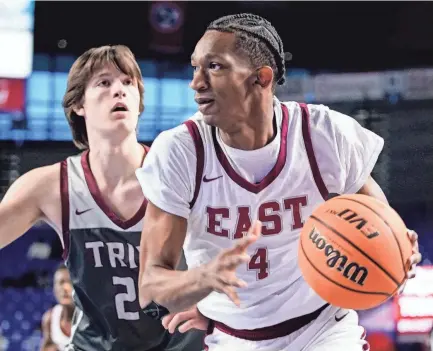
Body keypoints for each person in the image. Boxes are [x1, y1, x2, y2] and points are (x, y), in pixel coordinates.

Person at [136, 13, 422, 351]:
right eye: (195, 67)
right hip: (234, 337)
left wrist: (400, 251)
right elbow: (150, 287)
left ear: (261, 78)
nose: (196, 82)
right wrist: (204, 277)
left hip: (322, 329)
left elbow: (380, 226)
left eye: (214, 67)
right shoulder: (180, 152)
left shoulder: (324, 135)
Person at [0, 45, 204, 351]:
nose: (119, 91)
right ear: (79, 104)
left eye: (127, 83)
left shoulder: (182, 174)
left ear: (139, 101)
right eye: (104, 83)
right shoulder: (51, 186)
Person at [41, 263, 74, 351]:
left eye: (70, 282)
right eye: (60, 282)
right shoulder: (50, 318)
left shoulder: (92, 317)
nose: (65, 288)